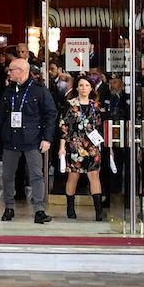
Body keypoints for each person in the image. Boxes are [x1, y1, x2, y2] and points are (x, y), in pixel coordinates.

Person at [0, 57, 57, 224]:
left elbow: (51, 114)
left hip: (32, 139)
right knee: (8, 175)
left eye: (11, 70)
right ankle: (9, 207)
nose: (8, 72)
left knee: (36, 175)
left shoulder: (39, 90)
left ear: (21, 71)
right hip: (11, 138)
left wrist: (47, 138)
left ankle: (39, 210)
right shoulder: (8, 91)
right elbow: (0, 114)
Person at [59, 75, 105, 221]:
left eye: (86, 85)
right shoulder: (70, 104)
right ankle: (70, 208)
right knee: (73, 176)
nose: (84, 88)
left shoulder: (95, 106)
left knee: (94, 175)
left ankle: (99, 211)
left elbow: (99, 126)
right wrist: (62, 147)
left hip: (93, 146)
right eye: (81, 85)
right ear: (77, 88)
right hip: (75, 145)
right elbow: (64, 127)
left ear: (91, 88)